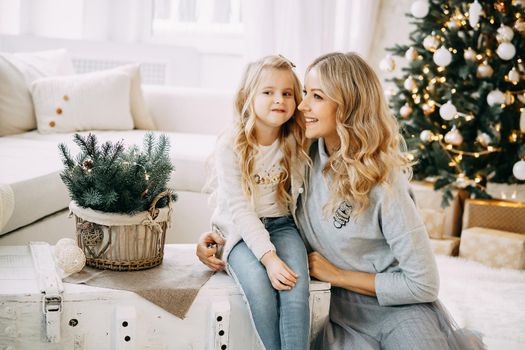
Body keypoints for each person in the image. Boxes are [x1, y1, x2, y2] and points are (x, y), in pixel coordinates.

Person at [198, 52, 485, 350]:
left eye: (317, 96)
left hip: (399, 309)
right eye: (305, 93)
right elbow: (251, 197)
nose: (301, 104)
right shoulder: (301, 151)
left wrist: (338, 275)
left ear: (348, 106)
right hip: (335, 312)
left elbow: (424, 283)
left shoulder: (385, 183)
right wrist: (222, 234)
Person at [207, 55, 311, 350]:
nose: (279, 99)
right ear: (248, 97)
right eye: (268, 92)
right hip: (238, 234)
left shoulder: (297, 140)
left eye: (287, 93)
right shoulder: (231, 144)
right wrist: (269, 259)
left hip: (282, 224)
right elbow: (240, 210)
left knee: (295, 287)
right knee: (260, 288)